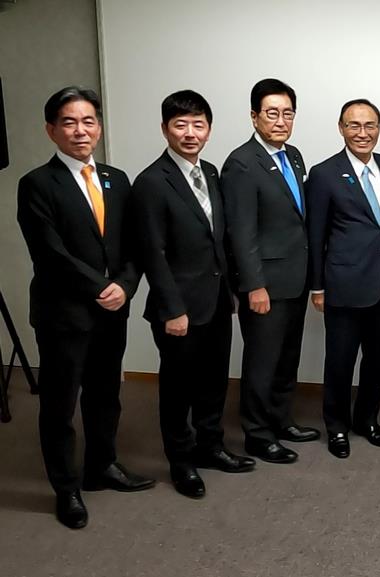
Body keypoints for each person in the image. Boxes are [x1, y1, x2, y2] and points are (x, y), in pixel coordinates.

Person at [17, 86, 154, 529]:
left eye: (88, 121)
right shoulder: (37, 183)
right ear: (51, 130)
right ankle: (66, 488)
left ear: (99, 127)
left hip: (112, 310)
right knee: (60, 404)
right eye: (70, 122)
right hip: (64, 314)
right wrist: (101, 287)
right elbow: (49, 252)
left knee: (105, 395)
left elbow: (135, 243)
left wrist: (126, 286)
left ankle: (102, 466)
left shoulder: (117, 179)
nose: (81, 130)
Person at [133, 90, 256, 500]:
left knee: (214, 381)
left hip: (217, 300)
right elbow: (152, 252)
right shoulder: (151, 182)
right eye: (180, 124)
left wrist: (232, 290)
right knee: (178, 389)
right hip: (178, 307)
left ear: (209, 129)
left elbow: (217, 238)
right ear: (165, 128)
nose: (190, 133)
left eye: (198, 124)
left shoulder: (212, 173)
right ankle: (181, 462)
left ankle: (211, 446)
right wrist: (172, 308)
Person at [222, 78, 319, 464]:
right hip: (265, 284)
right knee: (262, 361)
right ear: (254, 116)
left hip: (294, 277)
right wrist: (254, 285)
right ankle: (258, 434)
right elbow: (241, 232)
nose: (281, 121)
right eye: (272, 113)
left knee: (286, 357)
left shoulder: (293, 155)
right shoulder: (242, 163)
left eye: (287, 113)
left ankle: (281, 420)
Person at [308, 99, 380, 459]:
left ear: (378, 128)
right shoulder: (324, 173)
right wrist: (317, 286)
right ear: (341, 128)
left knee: (377, 359)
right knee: (340, 360)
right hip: (343, 284)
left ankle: (367, 419)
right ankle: (336, 426)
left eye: (369, 125)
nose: (362, 133)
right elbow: (315, 234)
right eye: (354, 125)